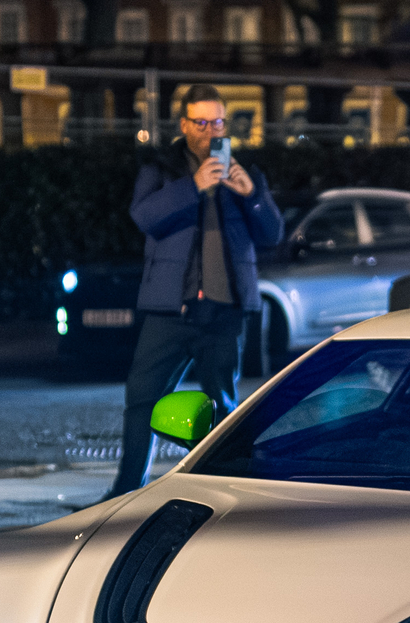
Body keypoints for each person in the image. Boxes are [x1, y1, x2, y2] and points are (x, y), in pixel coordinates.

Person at [106, 89, 285, 498]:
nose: (210, 132)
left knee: (223, 406)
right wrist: (192, 187)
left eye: (218, 123)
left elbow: (273, 233)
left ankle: (224, 488)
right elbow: (145, 217)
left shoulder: (245, 174)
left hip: (224, 311)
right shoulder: (161, 170)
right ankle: (126, 489)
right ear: (184, 126)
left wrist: (252, 196)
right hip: (171, 309)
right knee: (143, 399)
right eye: (201, 123)